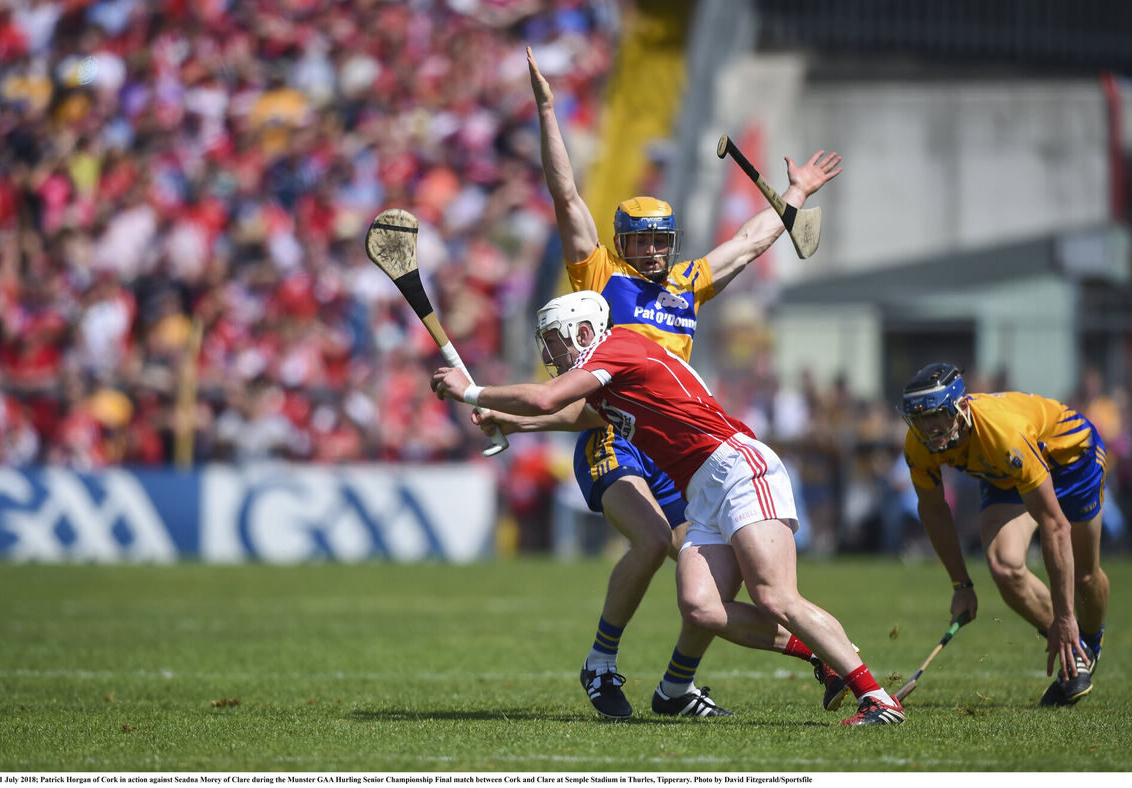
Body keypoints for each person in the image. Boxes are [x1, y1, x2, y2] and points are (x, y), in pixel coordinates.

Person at [526, 45, 845, 719]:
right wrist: (548, 109)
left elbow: (752, 242)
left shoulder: (686, 286)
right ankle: (601, 662)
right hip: (615, 440)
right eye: (639, 240)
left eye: (659, 240)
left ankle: (676, 688)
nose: (650, 250)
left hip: (681, 448)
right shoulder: (599, 274)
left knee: (705, 570)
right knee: (650, 541)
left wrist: (796, 194)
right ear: (623, 241)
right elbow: (565, 194)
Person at [432, 290, 905, 726]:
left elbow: (548, 397)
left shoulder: (618, 343)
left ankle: (877, 698)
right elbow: (585, 414)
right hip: (704, 489)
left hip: (737, 467)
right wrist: (514, 423)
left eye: (554, 341)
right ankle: (824, 654)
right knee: (701, 608)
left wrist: (470, 390)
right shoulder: (612, 378)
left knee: (775, 596)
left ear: (582, 331)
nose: (548, 354)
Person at [899, 362, 1111, 706]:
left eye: (937, 415)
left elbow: (1055, 526)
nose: (929, 428)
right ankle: (1079, 656)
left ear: (962, 407)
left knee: (1086, 576)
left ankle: (1088, 638)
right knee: (1004, 566)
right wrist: (961, 586)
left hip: (1071, 459)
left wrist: (1065, 616)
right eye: (920, 419)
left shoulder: (1002, 433)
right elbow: (934, 510)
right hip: (1007, 472)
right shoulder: (919, 445)